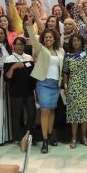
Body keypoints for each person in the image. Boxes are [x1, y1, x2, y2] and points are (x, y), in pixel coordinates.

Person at [27, 25, 65, 153]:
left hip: (55, 84)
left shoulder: (61, 51)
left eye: (51, 37)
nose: (49, 38)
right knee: (44, 111)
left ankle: (49, 136)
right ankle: (44, 141)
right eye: (46, 37)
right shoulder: (40, 49)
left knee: (52, 111)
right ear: (43, 39)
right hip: (43, 83)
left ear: (55, 39)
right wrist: (29, 25)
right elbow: (32, 39)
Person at [62, 33, 87, 149]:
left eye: (78, 40)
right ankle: (73, 137)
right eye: (74, 41)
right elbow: (65, 72)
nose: (76, 43)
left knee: (85, 113)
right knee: (74, 113)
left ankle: (84, 136)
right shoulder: (68, 56)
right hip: (74, 85)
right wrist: (65, 86)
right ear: (71, 43)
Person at [4, 37, 36, 142]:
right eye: (17, 44)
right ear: (14, 46)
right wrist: (14, 67)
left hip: (29, 91)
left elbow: (33, 75)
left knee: (32, 114)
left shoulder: (29, 58)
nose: (20, 46)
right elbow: (7, 77)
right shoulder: (9, 59)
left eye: (22, 44)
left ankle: (28, 136)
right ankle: (18, 138)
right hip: (16, 92)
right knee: (17, 116)